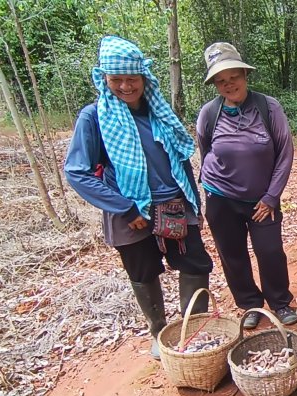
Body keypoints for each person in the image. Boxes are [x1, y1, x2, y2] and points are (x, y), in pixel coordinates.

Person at [64, 36, 213, 359]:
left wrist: (194, 204)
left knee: (195, 262)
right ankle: (159, 332)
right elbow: (77, 171)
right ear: (104, 79)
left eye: (132, 79)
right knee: (143, 271)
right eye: (116, 79)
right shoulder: (94, 117)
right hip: (129, 210)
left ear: (144, 78)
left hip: (173, 202)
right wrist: (124, 206)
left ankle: (194, 329)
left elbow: (180, 159)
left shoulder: (159, 112)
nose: (125, 86)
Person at [197, 42, 297, 328]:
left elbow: (285, 153)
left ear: (244, 74)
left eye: (233, 77)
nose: (229, 84)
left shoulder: (268, 107)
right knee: (233, 254)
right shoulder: (209, 113)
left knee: (270, 250)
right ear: (216, 85)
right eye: (221, 81)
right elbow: (205, 152)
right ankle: (250, 304)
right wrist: (211, 190)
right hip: (220, 197)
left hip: (262, 200)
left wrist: (271, 197)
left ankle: (279, 301)